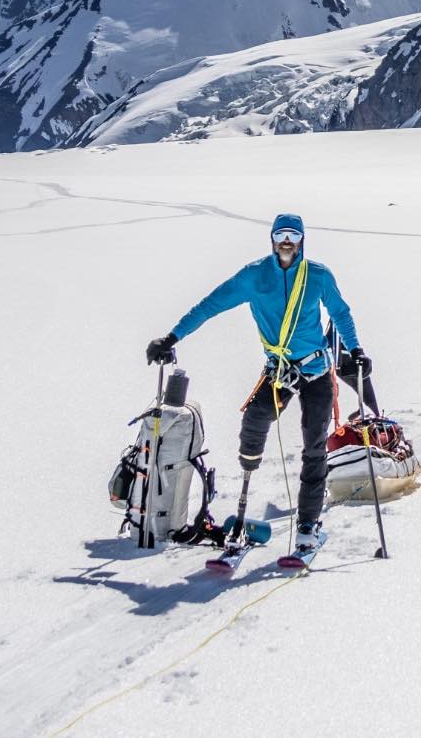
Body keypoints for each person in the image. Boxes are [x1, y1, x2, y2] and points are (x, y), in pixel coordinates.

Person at [145, 212, 369, 561]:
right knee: (254, 420)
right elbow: (210, 306)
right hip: (279, 371)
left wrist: (356, 350)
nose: (287, 242)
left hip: (315, 372)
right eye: (281, 235)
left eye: (293, 236)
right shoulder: (254, 275)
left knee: (314, 446)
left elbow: (340, 313)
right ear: (272, 239)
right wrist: (172, 337)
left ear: (302, 240)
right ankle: (243, 511)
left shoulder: (318, 276)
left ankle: (309, 526)